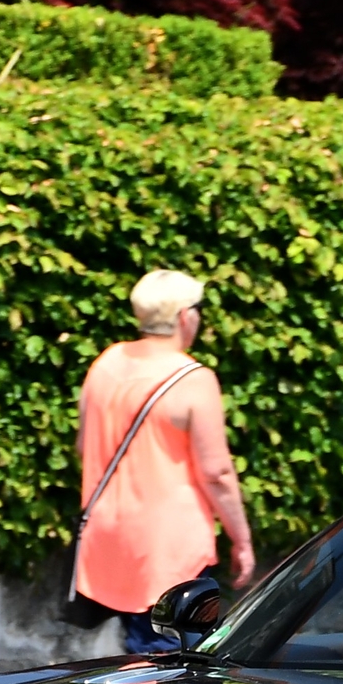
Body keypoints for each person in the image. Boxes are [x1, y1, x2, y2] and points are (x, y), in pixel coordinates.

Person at [73, 270, 257, 654]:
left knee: (140, 648)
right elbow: (217, 472)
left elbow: (82, 446)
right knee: (177, 655)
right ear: (185, 316)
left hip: (110, 539)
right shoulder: (193, 378)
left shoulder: (106, 363)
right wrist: (241, 540)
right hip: (169, 545)